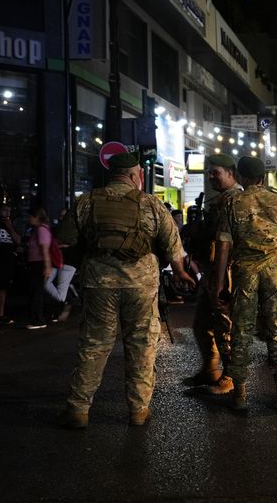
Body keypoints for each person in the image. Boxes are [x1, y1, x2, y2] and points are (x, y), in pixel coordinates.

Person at [57, 152, 194, 429]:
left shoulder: (87, 201)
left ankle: (79, 409)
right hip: (141, 286)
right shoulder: (151, 204)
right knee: (141, 346)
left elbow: (66, 239)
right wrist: (181, 273)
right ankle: (138, 411)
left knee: (95, 345)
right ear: (134, 176)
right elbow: (173, 247)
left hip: (98, 284)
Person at [213, 156, 277, 411]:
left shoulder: (232, 203)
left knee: (241, 331)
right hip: (274, 272)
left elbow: (223, 248)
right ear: (263, 177)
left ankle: (240, 395)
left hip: (244, 273)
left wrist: (221, 284)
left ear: (240, 177)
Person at [187, 154, 242, 394]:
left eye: (215, 172)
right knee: (201, 324)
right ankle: (210, 368)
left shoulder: (236, 201)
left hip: (226, 271)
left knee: (225, 325)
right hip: (211, 271)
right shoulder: (217, 201)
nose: (210, 176)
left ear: (231, 174)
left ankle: (230, 376)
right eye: (208, 172)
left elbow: (226, 243)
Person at [25, 207, 53, 330]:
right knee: (36, 292)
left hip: (38, 263)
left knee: (36, 292)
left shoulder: (41, 230)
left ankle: (38, 320)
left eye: (31, 216)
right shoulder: (39, 230)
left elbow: (45, 249)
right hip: (37, 263)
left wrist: (47, 266)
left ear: (36, 217)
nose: (29, 218)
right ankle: (38, 319)